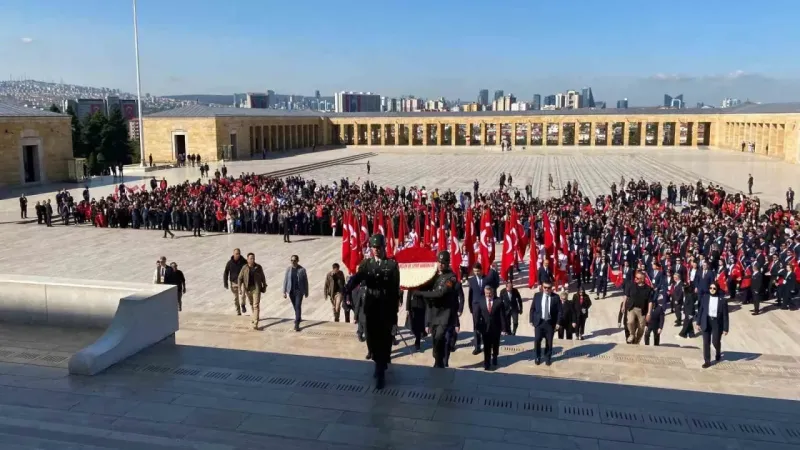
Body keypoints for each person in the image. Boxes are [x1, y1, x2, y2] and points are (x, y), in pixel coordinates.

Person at [344, 234, 401, 389]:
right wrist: (347, 288)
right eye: (374, 247)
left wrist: (394, 313)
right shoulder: (366, 264)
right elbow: (357, 278)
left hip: (385, 308)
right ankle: (378, 361)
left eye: (379, 247)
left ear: (384, 247)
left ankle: (380, 370)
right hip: (371, 308)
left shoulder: (392, 265)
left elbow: (395, 290)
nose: (376, 250)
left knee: (384, 340)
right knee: (371, 339)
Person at [415, 251, 459, 368]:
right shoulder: (435, 275)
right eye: (439, 262)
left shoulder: (452, 278)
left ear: (448, 263)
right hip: (434, 312)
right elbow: (425, 284)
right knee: (434, 338)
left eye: (443, 263)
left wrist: (421, 294)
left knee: (440, 336)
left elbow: (440, 293)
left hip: (445, 314)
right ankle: (437, 359)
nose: (440, 264)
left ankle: (441, 360)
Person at [695, 282, 729, 368]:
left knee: (715, 341)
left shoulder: (722, 300)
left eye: (714, 288)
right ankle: (707, 361)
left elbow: (725, 316)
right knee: (706, 342)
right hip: (706, 321)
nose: (712, 290)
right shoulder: (705, 297)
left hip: (716, 322)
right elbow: (701, 310)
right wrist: (698, 323)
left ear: (717, 289)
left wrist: (726, 328)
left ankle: (718, 351)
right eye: (710, 288)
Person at [530, 282, 561, 366]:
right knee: (537, 340)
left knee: (549, 342)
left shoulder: (556, 297)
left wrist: (558, 323)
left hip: (550, 323)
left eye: (549, 288)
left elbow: (559, 311)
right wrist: (531, 320)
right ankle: (537, 356)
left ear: (551, 288)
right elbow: (532, 309)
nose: (547, 289)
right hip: (539, 322)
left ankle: (547, 357)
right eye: (545, 287)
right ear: (542, 287)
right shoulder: (537, 296)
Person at [475, 285, 506, 370]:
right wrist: (477, 327)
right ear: (484, 293)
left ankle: (495, 356)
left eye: (490, 293)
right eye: (487, 293)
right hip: (485, 328)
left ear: (493, 292)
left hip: (496, 327)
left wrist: (504, 329)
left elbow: (502, 316)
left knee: (495, 344)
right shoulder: (481, 301)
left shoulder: (499, 301)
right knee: (486, 346)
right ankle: (487, 363)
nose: (488, 295)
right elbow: (477, 315)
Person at [237, 252, 267, 330]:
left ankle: (255, 323)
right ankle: (255, 317)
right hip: (248, 289)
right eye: (251, 258)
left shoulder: (258, 267)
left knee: (256, 305)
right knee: (251, 303)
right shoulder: (244, 268)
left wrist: (264, 285)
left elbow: (263, 277)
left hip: (256, 288)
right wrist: (239, 288)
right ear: (247, 259)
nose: (252, 260)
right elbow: (240, 278)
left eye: (253, 258)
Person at [282, 255, 309, 331]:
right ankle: (299, 317)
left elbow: (305, 281)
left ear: (297, 261)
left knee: (297, 306)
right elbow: (285, 280)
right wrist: (284, 291)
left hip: (299, 291)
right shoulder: (288, 269)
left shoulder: (302, 270)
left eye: (294, 260)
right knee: (295, 306)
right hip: (291, 291)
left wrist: (306, 292)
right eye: (291, 260)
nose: (293, 262)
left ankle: (297, 323)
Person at [626, 271, 652, 344]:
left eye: (637, 278)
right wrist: (623, 304)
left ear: (642, 279)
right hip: (632, 308)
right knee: (630, 322)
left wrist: (649, 313)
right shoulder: (632, 285)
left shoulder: (648, 289)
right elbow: (627, 296)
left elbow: (650, 302)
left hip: (642, 310)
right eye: (635, 277)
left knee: (641, 327)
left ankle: (637, 340)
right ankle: (632, 334)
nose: (635, 279)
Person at [223, 248, 248, 315]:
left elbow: (248, 269)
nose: (238, 255)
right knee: (236, 298)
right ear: (233, 254)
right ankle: (238, 312)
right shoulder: (230, 263)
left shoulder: (243, 261)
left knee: (243, 295)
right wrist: (225, 283)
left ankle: (243, 304)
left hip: (242, 282)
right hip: (233, 282)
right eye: (236, 254)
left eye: (239, 254)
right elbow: (226, 272)